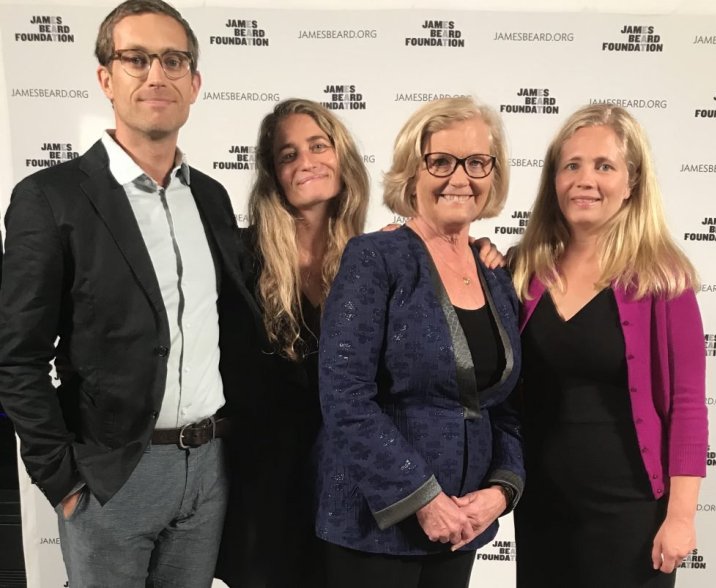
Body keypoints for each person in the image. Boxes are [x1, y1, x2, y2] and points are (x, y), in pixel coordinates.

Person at [0, 1, 262, 586]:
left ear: (194, 84)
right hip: (112, 475)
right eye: (136, 59)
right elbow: (17, 355)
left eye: (173, 61)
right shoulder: (51, 199)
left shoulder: (213, 199)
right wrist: (63, 481)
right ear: (105, 78)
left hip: (210, 469)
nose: (155, 75)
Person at [315, 97, 523, 588]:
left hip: (463, 527)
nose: (460, 177)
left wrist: (501, 491)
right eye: (440, 161)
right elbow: (344, 398)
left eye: (476, 162)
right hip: (375, 528)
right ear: (412, 173)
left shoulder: (496, 278)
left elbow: (506, 406)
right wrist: (423, 497)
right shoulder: (375, 258)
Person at [510, 104, 708, 587]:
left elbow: (688, 406)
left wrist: (680, 517)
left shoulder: (663, 277)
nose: (585, 180)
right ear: (553, 179)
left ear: (632, 182)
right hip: (542, 510)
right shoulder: (521, 270)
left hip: (632, 514)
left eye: (604, 166)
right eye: (571, 165)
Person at [216, 98, 369, 588]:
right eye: (288, 154)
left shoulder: (374, 262)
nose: (306, 162)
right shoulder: (238, 260)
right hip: (259, 495)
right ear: (273, 175)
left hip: (346, 494)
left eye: (318, 146)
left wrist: (482, 250)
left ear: (341, 157)